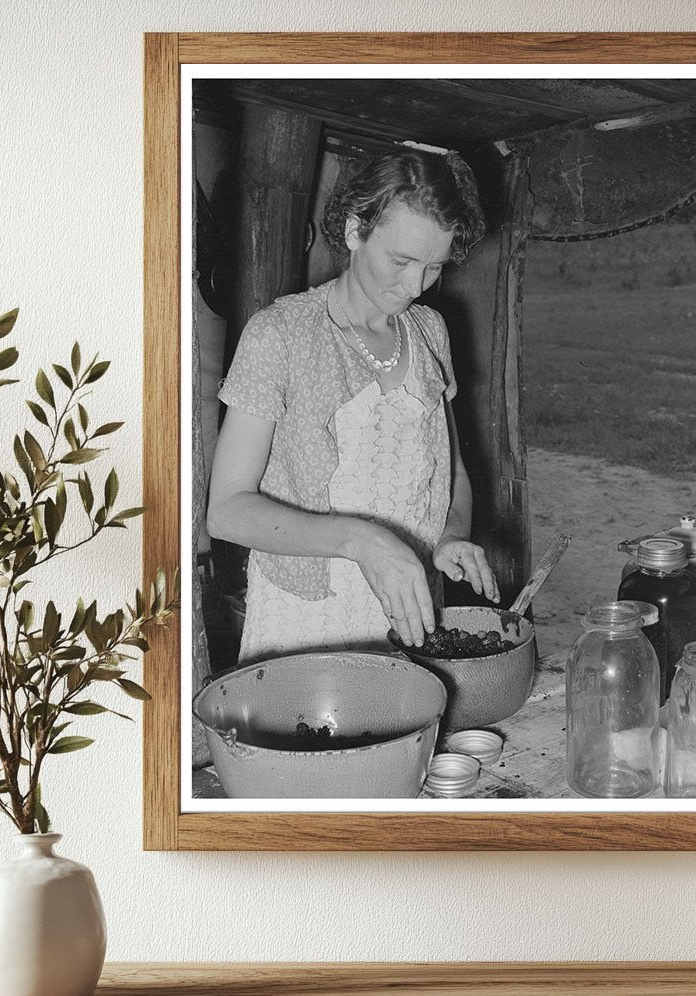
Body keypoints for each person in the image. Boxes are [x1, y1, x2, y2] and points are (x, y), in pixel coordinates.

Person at [207, 148, 500, 663]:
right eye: (401, 261)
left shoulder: (430, 332)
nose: (414, 286)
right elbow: (227, 510)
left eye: (433, 267)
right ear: (353, 231)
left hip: (409, 613)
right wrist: (360, 541)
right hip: (307, 622)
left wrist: (451, 535)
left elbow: (451, 471)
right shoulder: (281, 334)